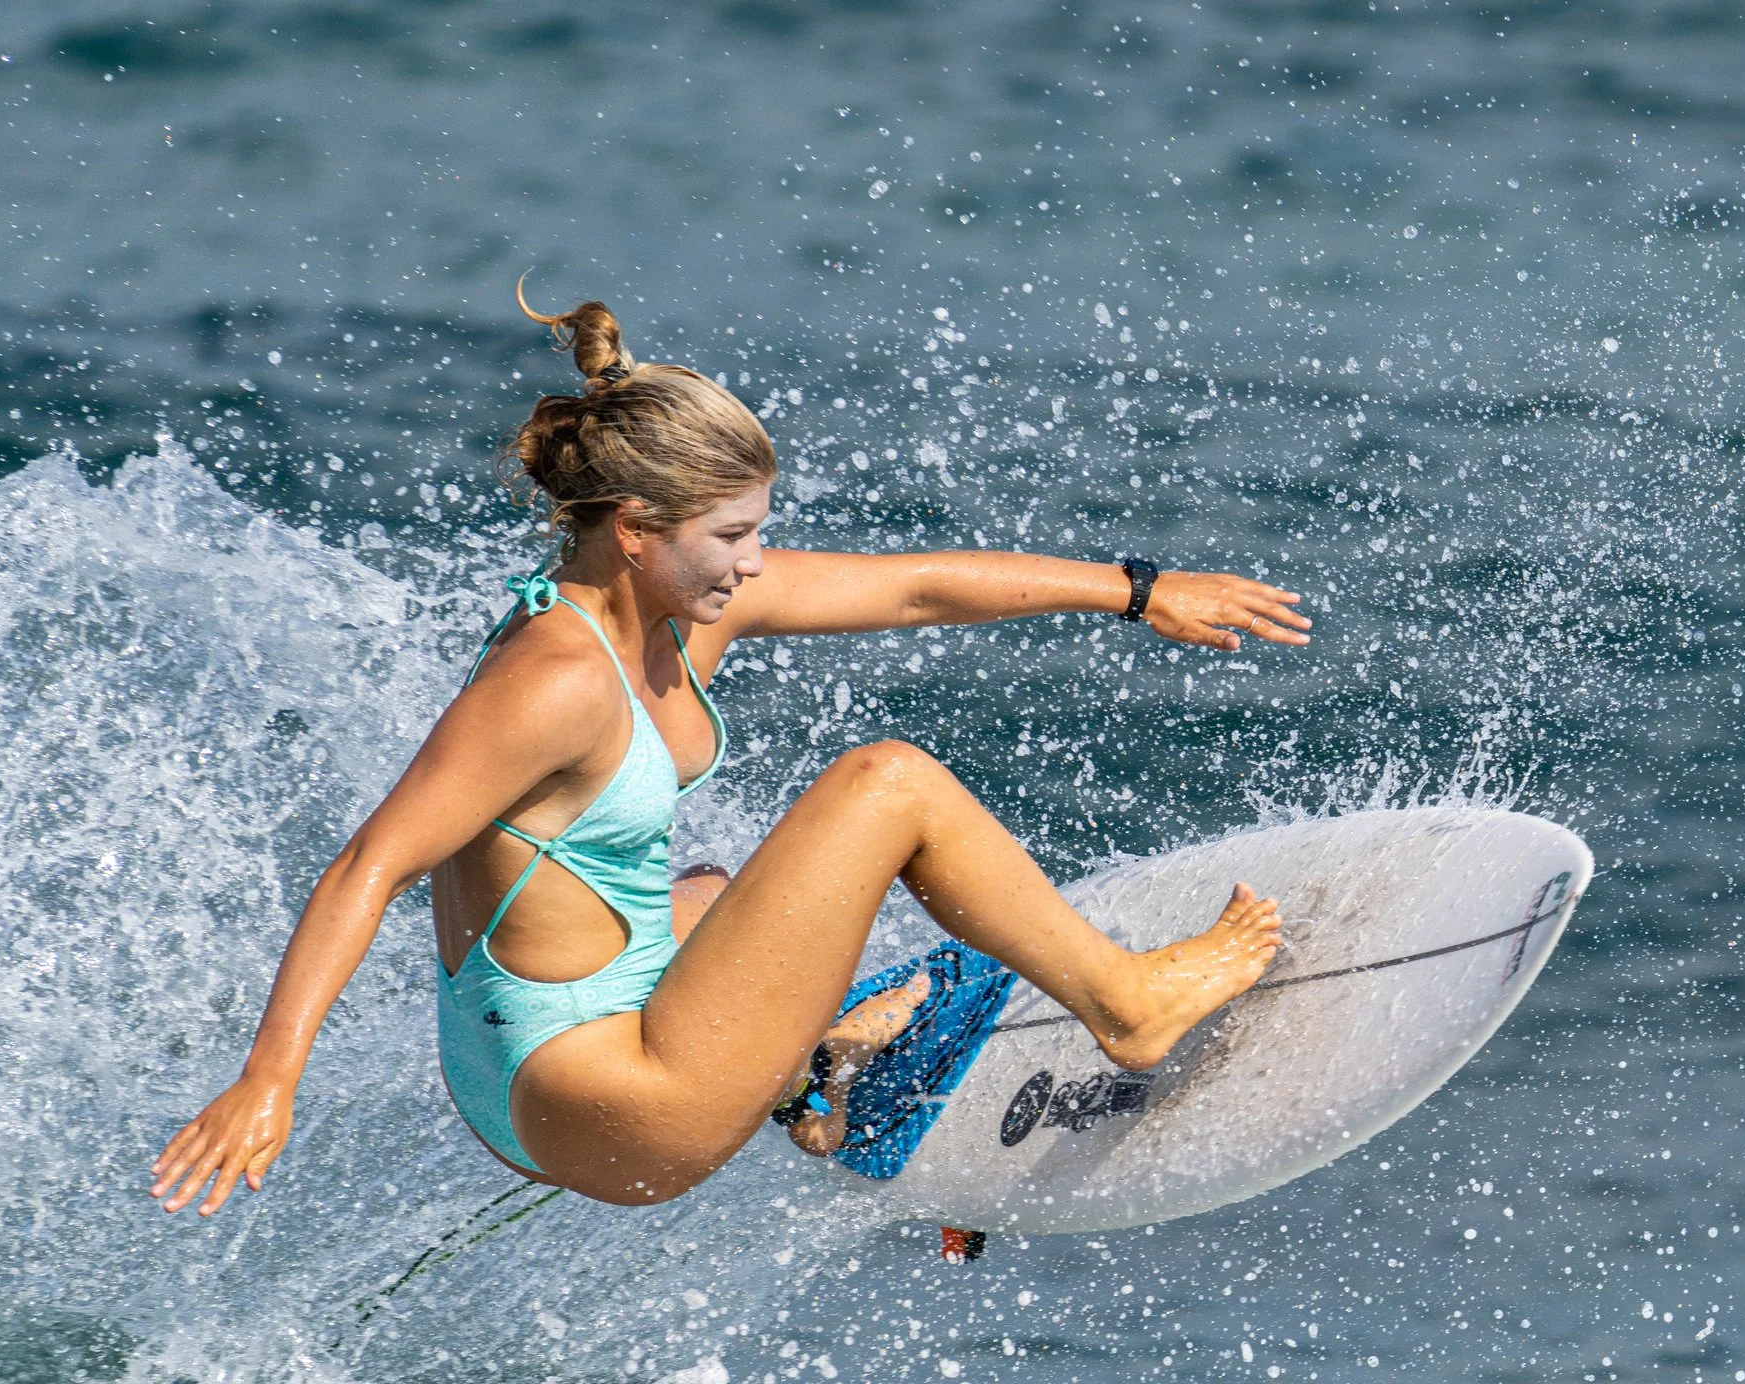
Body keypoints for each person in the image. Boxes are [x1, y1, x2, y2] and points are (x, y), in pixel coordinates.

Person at [150, 292, 1312, 1216]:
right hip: (606, 1104)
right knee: (886, 783)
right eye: (734, 535)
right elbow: (370, 865)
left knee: (710, 885)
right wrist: (270, 1079)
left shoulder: (662, 607)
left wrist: (1137, 588)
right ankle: (1128, 1000)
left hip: (541, 1069)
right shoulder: (554, 678)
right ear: (636, 530)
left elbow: (911, 588)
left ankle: (813, 1072)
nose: (756, 563)